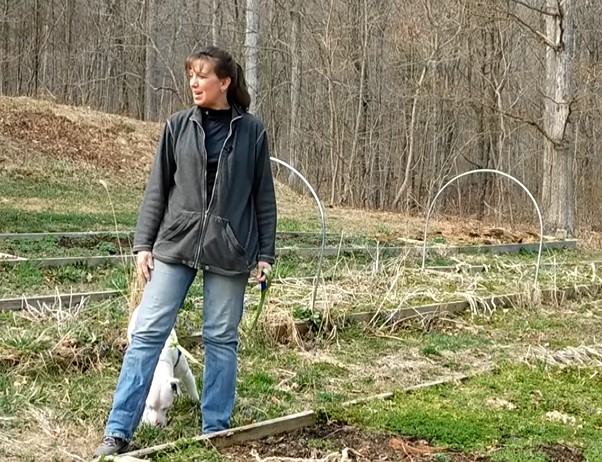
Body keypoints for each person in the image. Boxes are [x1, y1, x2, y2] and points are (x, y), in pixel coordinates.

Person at [94, 46, 277, 457]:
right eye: (191, 75)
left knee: (221, 339)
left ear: (224, 82)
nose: (194, 83)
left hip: (230, 249)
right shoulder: (177, 126)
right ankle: (118, 430)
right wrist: (144, 243)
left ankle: (215, 429)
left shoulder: (252, 131)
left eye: (202, 75)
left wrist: (265, 254)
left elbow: (263, 197)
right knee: (146, 336)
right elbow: (157, 189)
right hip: (176, 243)